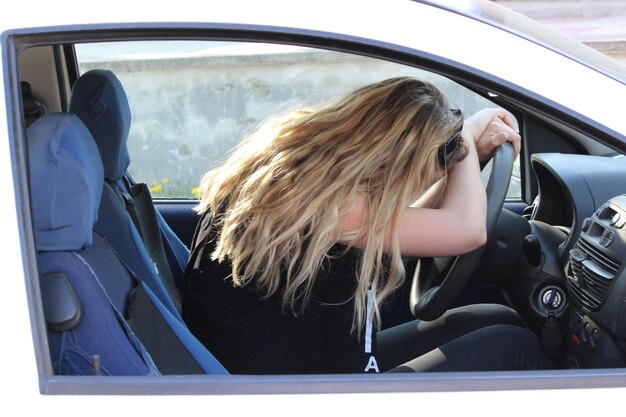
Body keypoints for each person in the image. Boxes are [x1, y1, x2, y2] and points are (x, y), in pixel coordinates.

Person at [182, 77, 552, 374]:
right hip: (308, 397)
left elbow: (400, 229)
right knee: (515, 349)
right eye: (429, 163)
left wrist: (460, 158)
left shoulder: (303, 182)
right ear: (391, 155)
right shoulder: (324, 202)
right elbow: (468, 231)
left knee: (494, 318)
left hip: (309, 369)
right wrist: (467, 142)